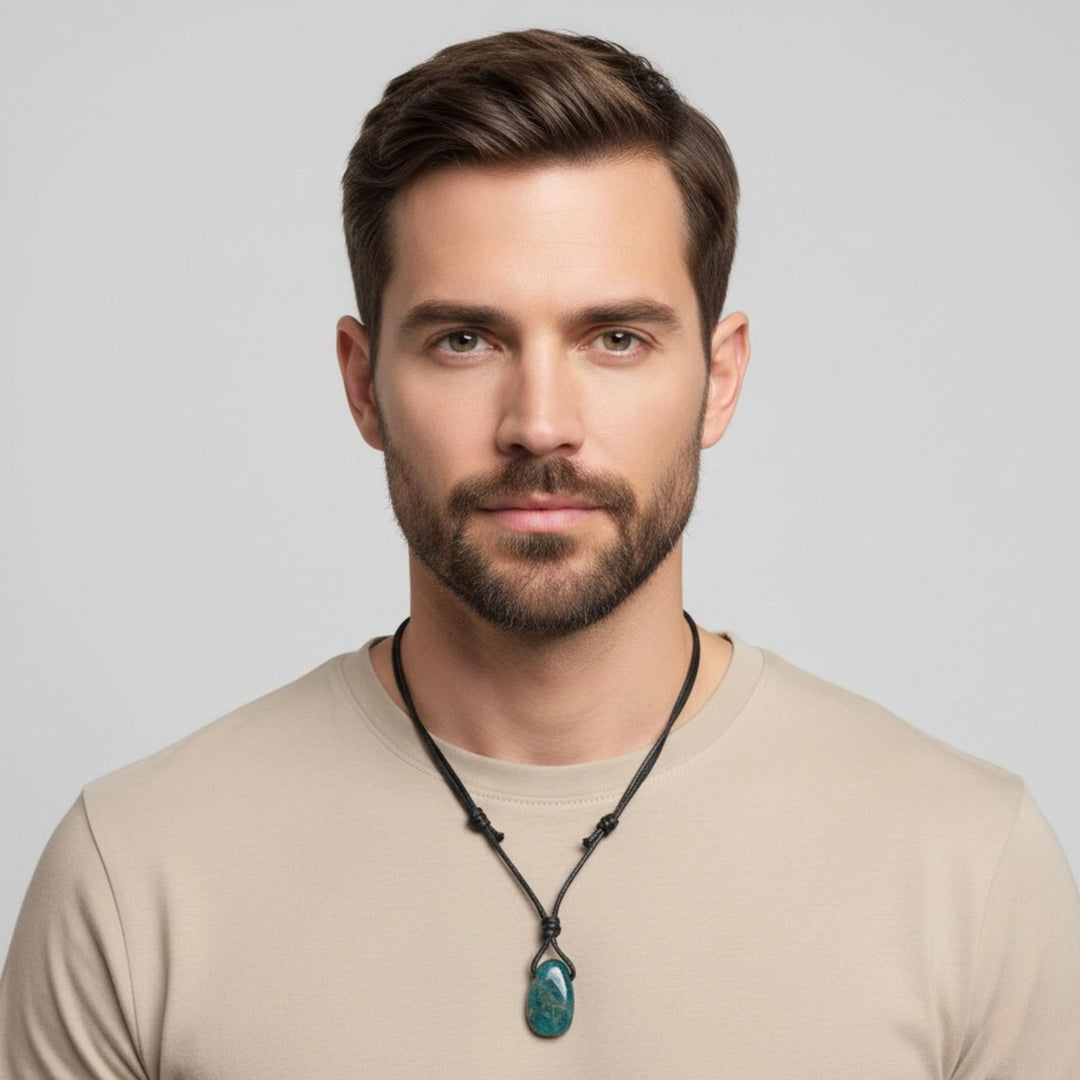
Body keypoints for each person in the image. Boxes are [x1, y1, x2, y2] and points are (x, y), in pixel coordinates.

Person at [2, 27, 1078, 1077]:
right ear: (362, 382)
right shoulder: (136, 874)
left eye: (616, 338)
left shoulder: (967, 868)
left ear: (722, 375)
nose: (541, 424)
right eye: (465, 339)